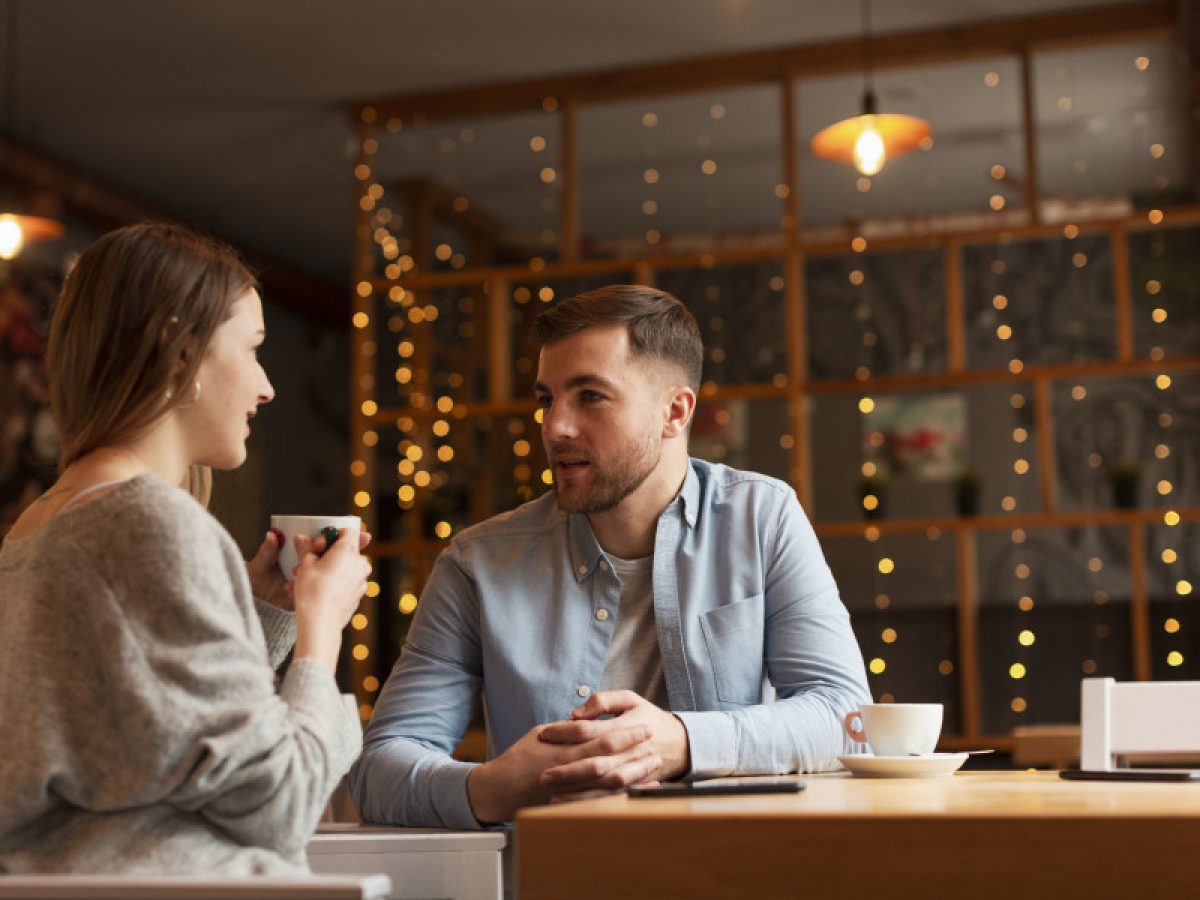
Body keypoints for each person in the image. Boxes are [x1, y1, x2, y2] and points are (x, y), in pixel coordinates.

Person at [351, 284, 870, 828]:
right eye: (546, 399)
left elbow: (847, 716)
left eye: (590, 396)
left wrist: (681, 741)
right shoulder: (477, 563)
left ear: (675, 411)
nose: (554, 428)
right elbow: (379, 772)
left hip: (729, 871)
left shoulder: (761, 519)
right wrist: (500, 785)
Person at [0, 222, 373, 874]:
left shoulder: (37, 526)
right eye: (253, 348)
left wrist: (265, 614)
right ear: (179, 347)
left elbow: (150, 735)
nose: (267, 386)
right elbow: (280, 805)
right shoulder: (150, 522)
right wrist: (322, 630)